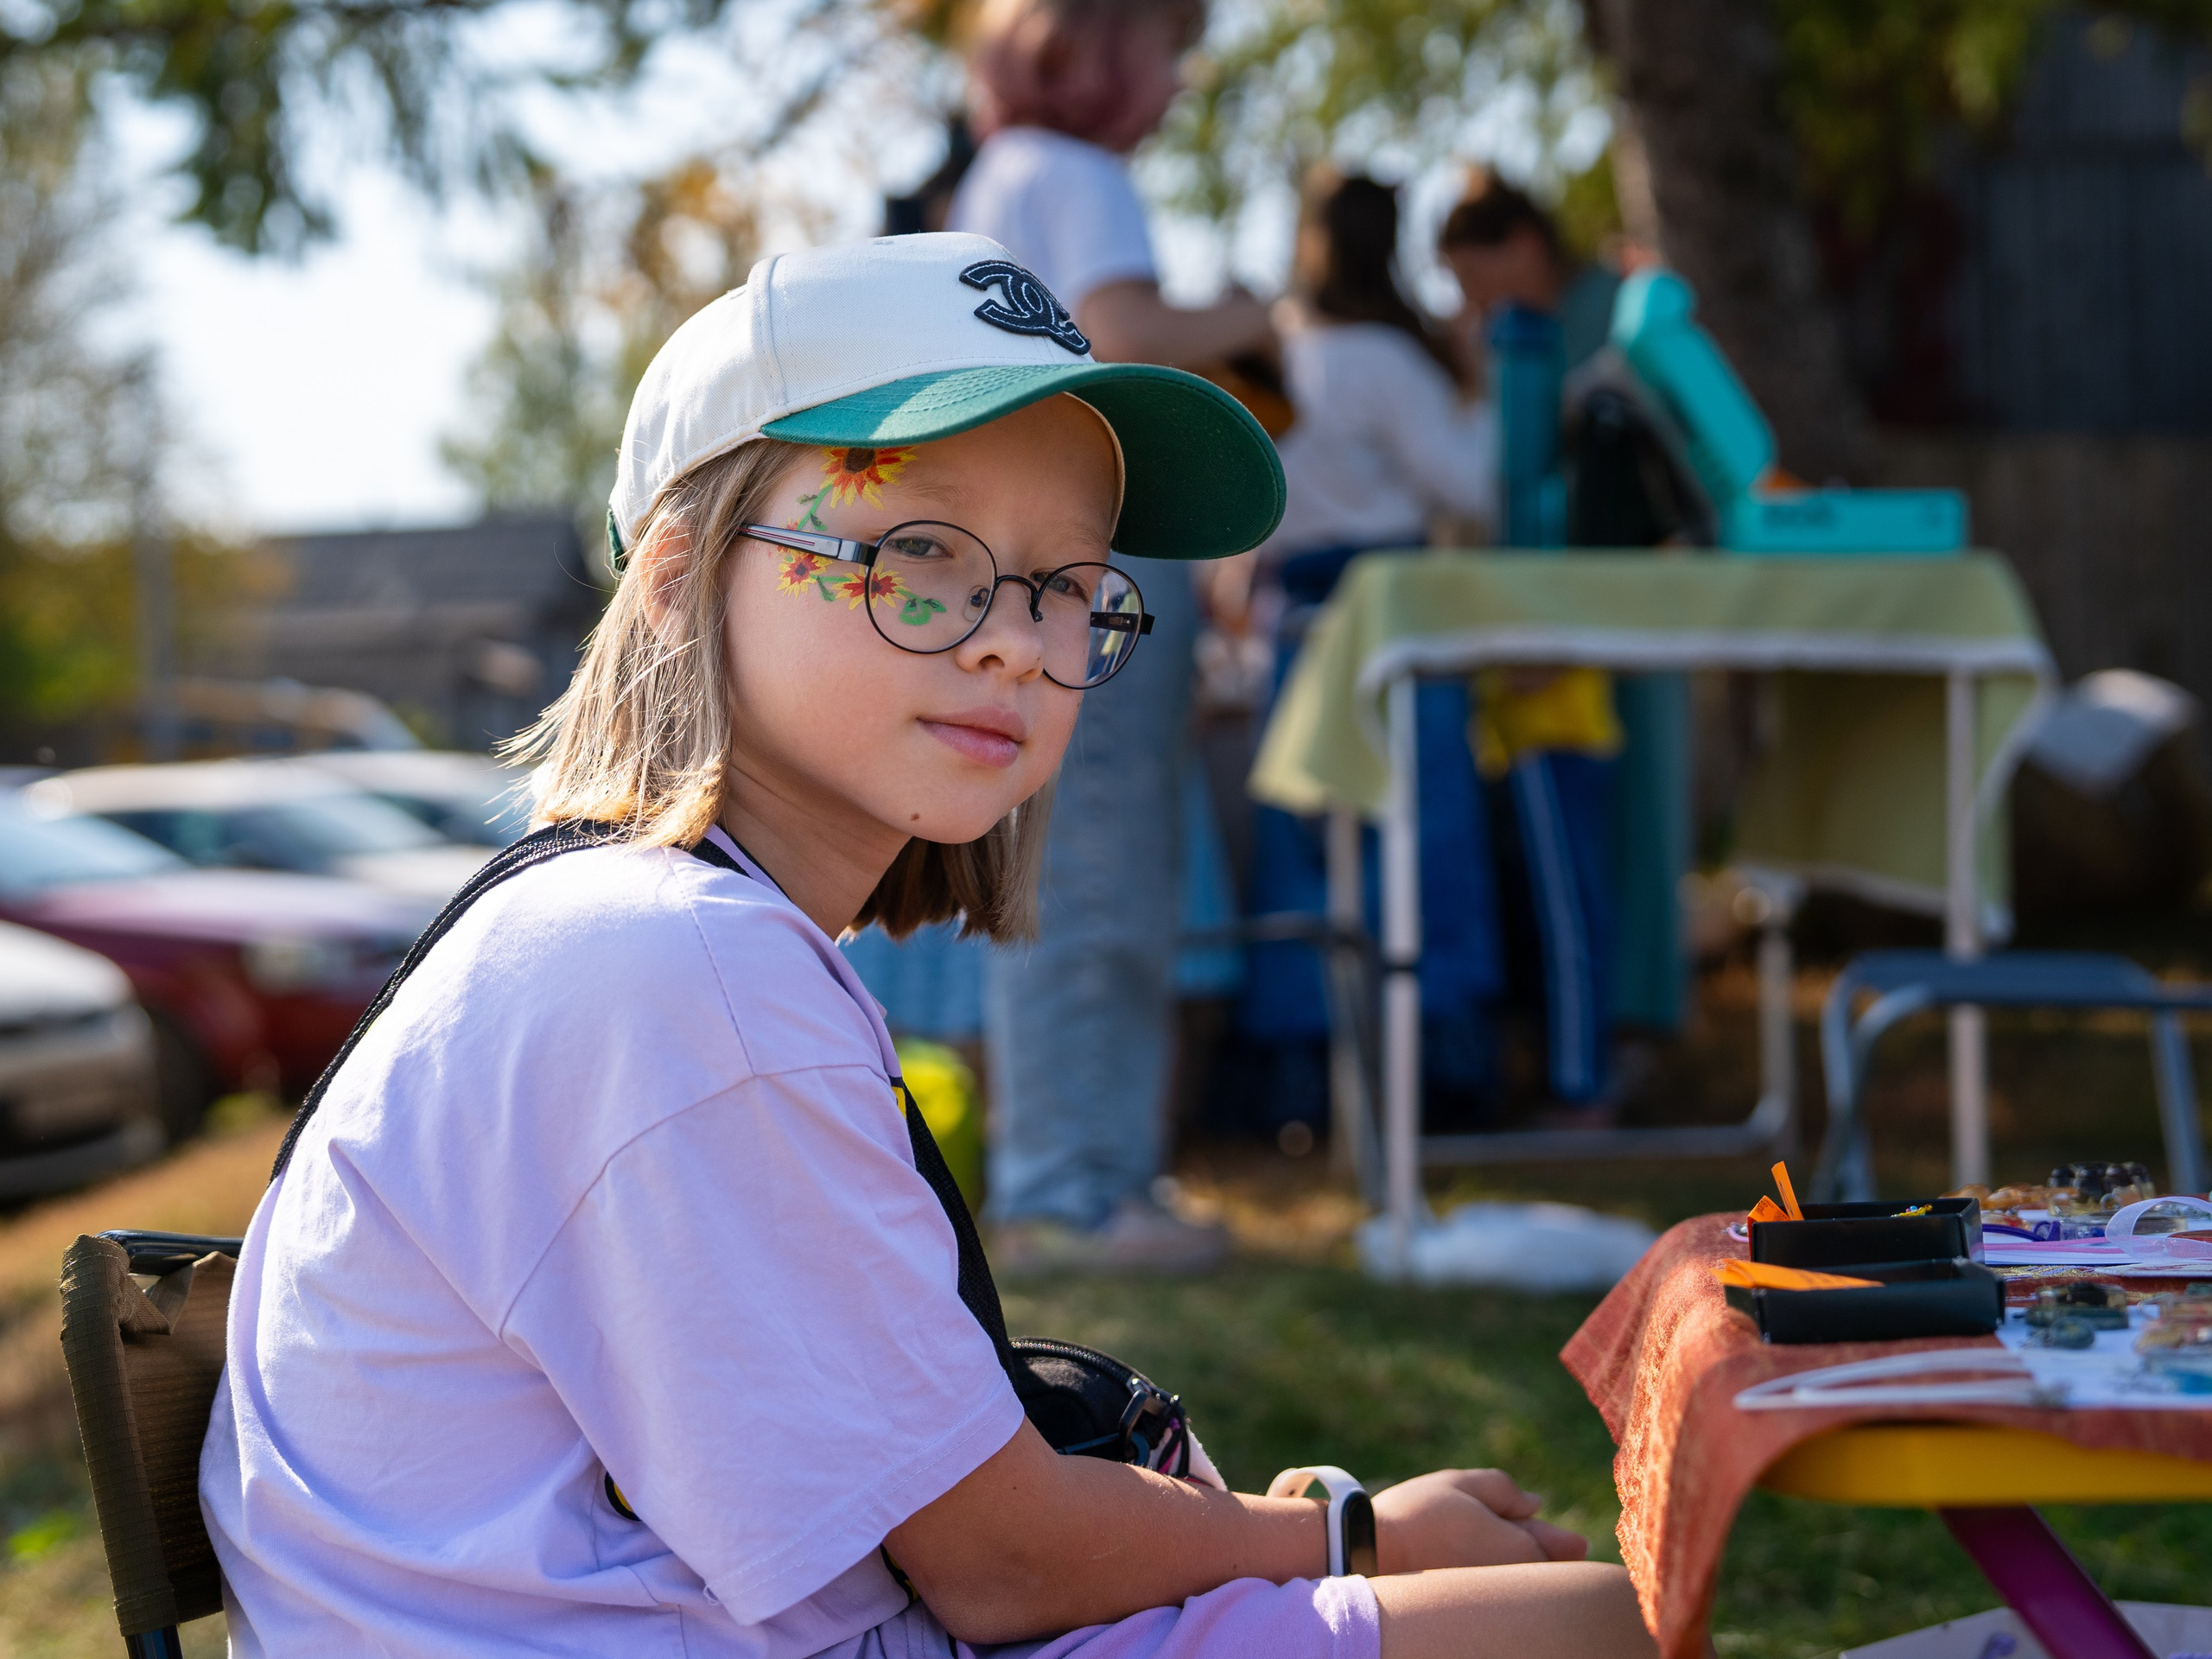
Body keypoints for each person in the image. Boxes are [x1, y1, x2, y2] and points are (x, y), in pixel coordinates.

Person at [200, 230, 1655, 1659]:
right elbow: (1001, 1564)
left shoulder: (650, 937)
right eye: (919, 555)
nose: (1018, 641)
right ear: (675, 573)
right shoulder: (668, 968)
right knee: (1576, 1629)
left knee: (1566, 1619)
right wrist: (1353, 1539)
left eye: (1071, 582)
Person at [946, 0, 1273, 1272]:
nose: (1181, 80)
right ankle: (1076, 1192)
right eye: (1171, 47)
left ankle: (1090, 1173)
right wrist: (1242, 317)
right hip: (1099, 544)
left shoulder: (1002, 173)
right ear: (1098, 47)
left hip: (1029, 543)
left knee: (1072, 864)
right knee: (1101, 871)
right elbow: (1126, 336)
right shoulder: (1077, 173)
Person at [1232, 170, 1510, 1130]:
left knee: (1302, 845)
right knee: (1420, 847)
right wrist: (1476, 390)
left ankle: (1298, 1080)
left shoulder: (1273, 351)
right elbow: (1470, 486)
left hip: (1296, 622)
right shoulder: (1389, 359)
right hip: (1392, 620)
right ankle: (1438, 1078)